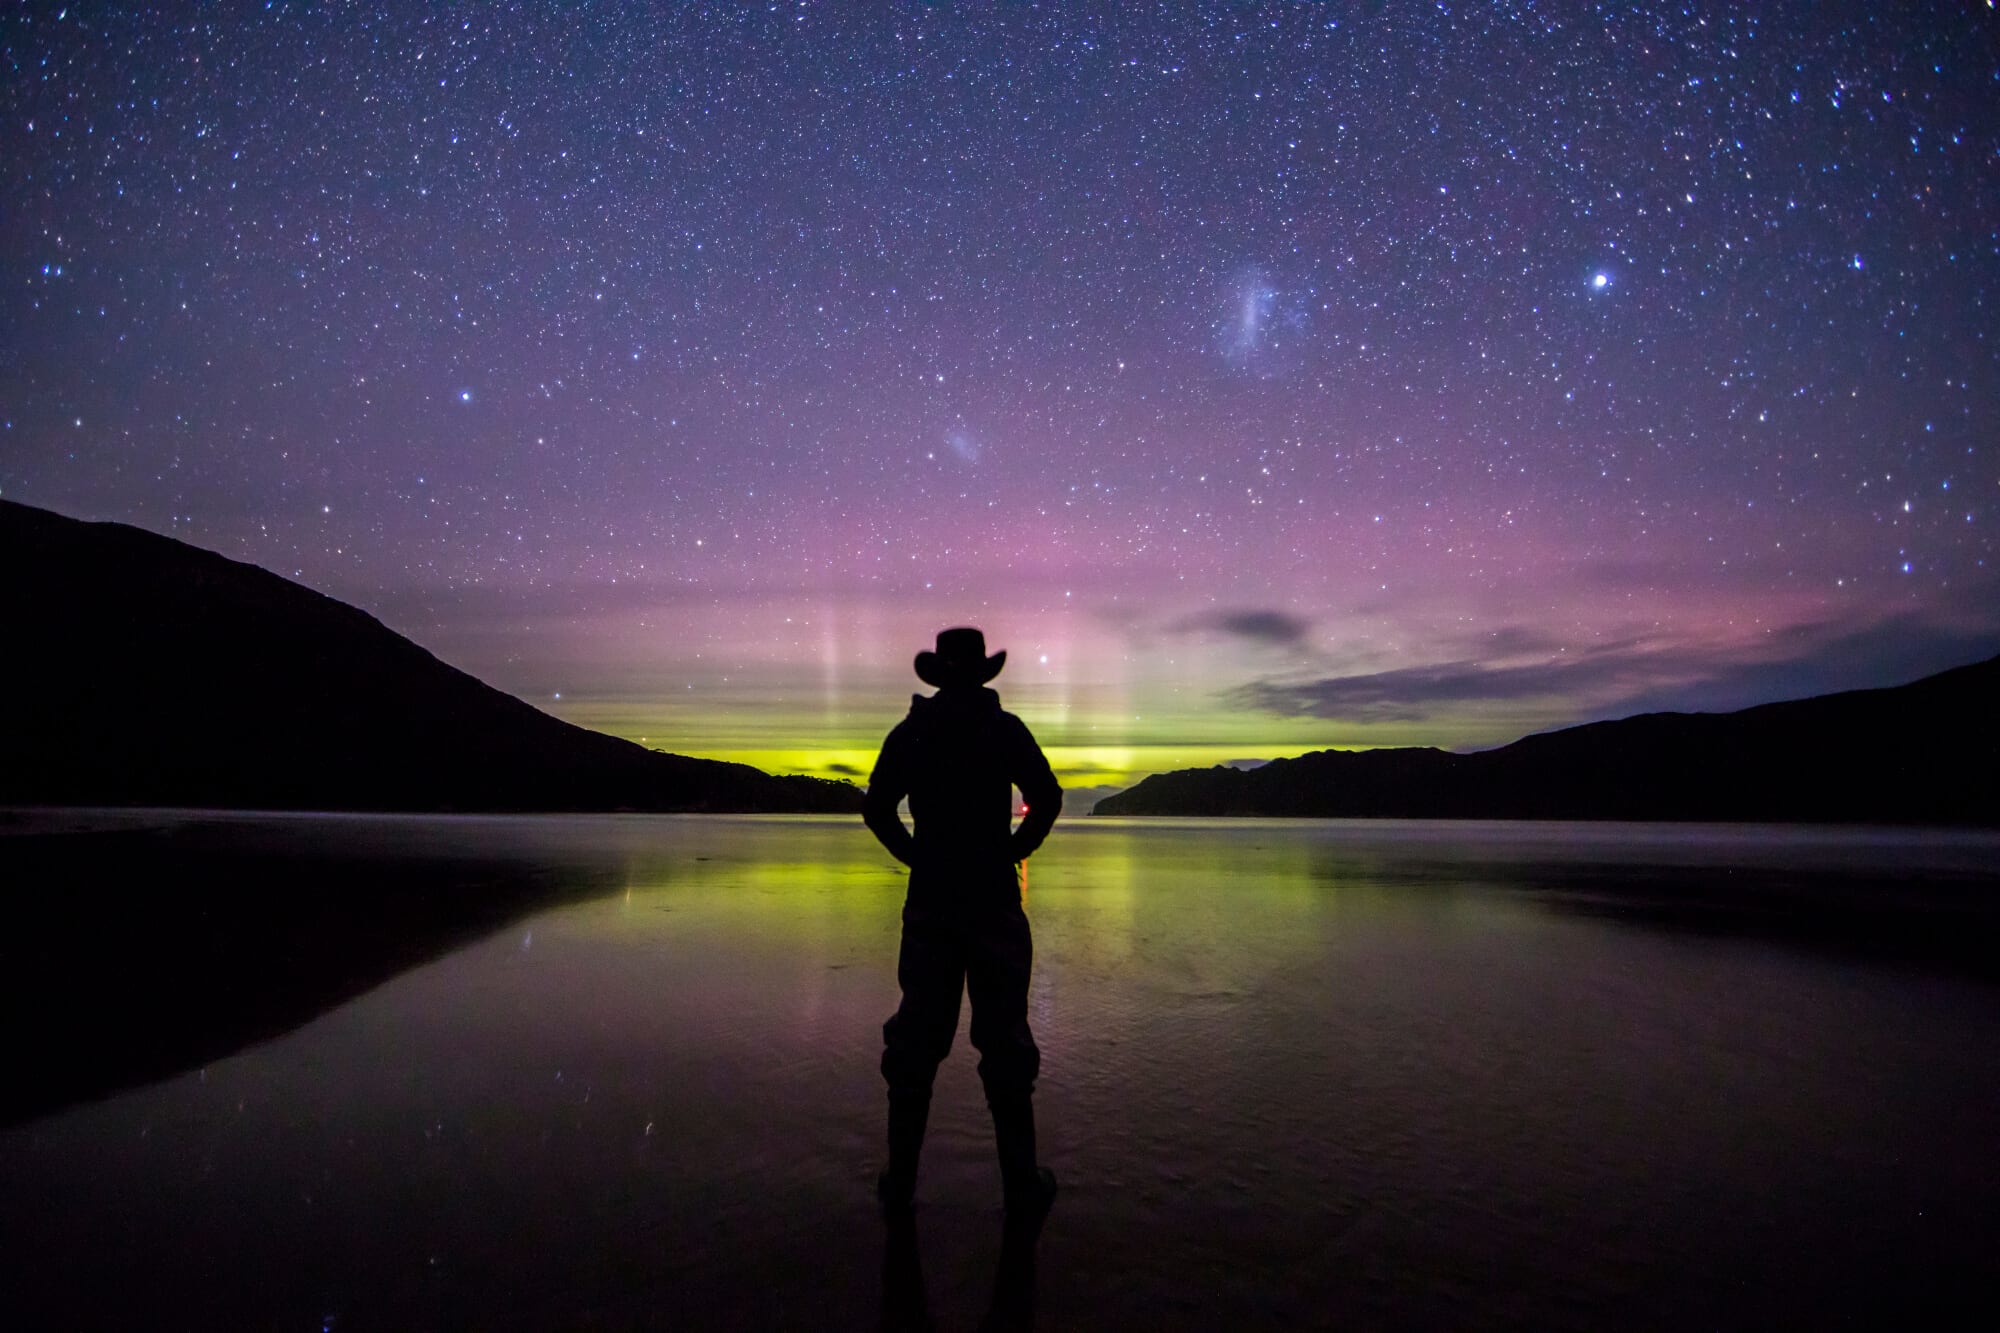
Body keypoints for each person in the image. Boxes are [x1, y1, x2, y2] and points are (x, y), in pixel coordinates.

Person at [863, 627, 1062, 1217]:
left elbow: (877, 808)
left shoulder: (914, 730)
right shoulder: (1002, 728)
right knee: (1004, 1043)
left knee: (915, 1046)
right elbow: (1047, 798)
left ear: (939, 675)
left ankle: (900, 1184)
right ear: (979, 674)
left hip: (931, 906)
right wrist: (1009, 852)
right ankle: (1021, 1185)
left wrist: (917, 858)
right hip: (994, 905)